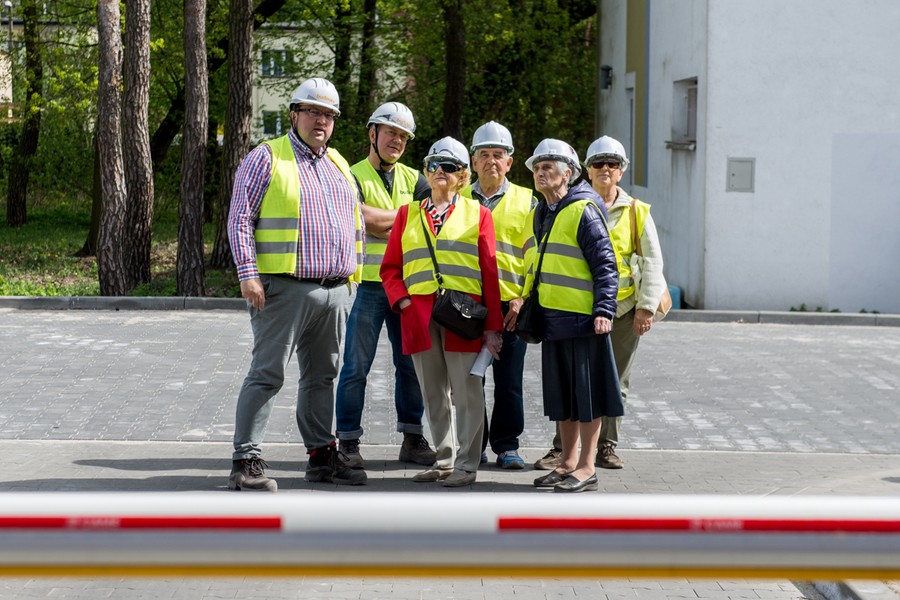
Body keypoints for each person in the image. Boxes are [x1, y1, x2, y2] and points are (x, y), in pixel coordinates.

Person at [226, 77, 367, 491]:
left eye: (328, 115)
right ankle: (245, 460)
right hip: (283, 288)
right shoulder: (267, 157)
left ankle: (321, 456)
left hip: (336, 289)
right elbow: (239, 219)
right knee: (268, 373)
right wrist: (248, 274)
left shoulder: (339, 163)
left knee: (323, 376)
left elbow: (354, 225)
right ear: (295, 114)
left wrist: (353, 282)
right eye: (313, 112)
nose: (320, 120)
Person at [380, 137, 504, 487]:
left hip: (462, 317)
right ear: (426, 170)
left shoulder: (478, 214)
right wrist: (402, 302)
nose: (440, 172)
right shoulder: (408, 214)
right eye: (434, 165)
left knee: (467, 392)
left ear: (463, 175)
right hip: (418, 315)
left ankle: (467, 465)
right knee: (432, 391)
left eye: (449, 167)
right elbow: (390, 269)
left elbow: (490, 273)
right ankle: (444, 459)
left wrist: (493, 327)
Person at [334, 102, 437, 472]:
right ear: (372, 134)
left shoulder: (416, 178)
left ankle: (412, 438)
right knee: (355, 367)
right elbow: (358, 218)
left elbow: (430, 221)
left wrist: (381, 220)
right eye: (391, 132)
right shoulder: (350, 174)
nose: (397, 140)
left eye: (403, 136)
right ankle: (347, 441)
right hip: (365, 286)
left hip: (407, 288)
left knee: (410, 366)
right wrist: (408, 217)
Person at [523, 139, 623, 493]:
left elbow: (606, 264)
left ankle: (586, 467)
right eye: (537, 167)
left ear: (569, 173)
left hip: (583, 320)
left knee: (588, 396)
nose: (540, 172)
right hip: (553, 319)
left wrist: (604, 310)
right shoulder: (543, 211)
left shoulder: (584, 209)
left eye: (548, 166)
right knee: (562, 397)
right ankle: (566, 463)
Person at [584, 135, 666, 468]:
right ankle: (562, 446)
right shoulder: (578, 206)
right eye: (599, 163)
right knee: (578, 379)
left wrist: (645, 309)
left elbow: (653, 262)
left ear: (621, 171)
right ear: (587, 170)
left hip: (623, 311)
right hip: (583, 310)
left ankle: (607, 445)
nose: (605, 169)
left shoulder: (636, 211)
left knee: (616, 382)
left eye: (612, 164)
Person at [460, 121, 536, 470]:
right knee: (468, 380)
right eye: (484, 155)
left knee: (509, 383)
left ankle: (507, 446)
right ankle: (474, 445)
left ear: (509, 162)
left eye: (499, 155)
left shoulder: (527, 200)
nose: (492, 161)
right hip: (466, 305)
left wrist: (523, 299)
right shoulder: (457, 199)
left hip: (511, 306)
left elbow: (535, 257)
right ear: (473, 162)